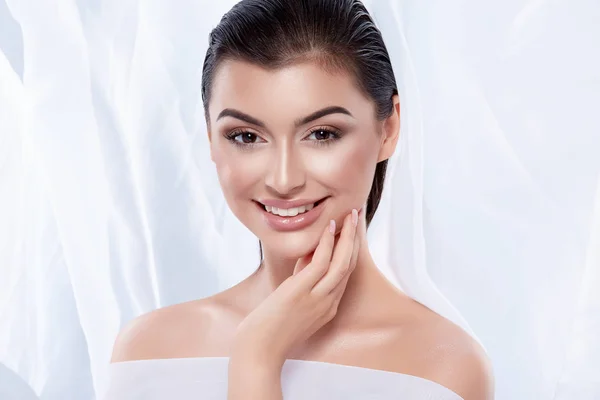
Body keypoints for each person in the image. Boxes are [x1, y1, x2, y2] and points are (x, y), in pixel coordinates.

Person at [105, 0, 494, 399]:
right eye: (246, 136)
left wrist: (257, 357)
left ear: (388, 128)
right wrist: (258, 348)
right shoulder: (147, 351)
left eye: (322, 134)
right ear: (210, 138)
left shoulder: (442, 369)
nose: (283, 179)